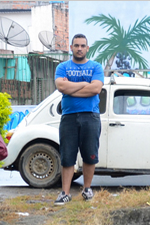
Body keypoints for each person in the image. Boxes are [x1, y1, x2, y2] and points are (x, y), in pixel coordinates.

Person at [53, 33, 104, 206]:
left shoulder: (96, 66)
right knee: (67, 155)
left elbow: (96, 89)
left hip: (90, 115)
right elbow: (61, 86)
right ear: (71, 48)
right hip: (69, 116)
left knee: (90, 154)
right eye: (76, 45)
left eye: (83, 46)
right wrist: (84, 84)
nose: (80, 48)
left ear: (87, 48)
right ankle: (65, 193)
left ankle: (87, 189)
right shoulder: (62, 67)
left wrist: (71, 88)